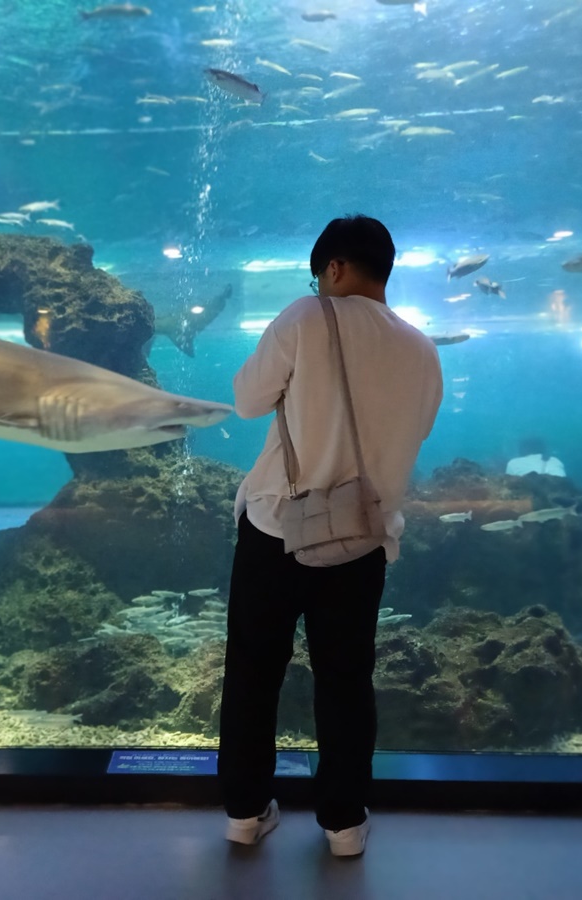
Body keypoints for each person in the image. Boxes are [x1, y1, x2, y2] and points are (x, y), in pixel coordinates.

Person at [218, 215, 443, 857]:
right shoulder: (422, 349)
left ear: (334, 268)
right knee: (346, 681)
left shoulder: (305, 316)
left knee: (253, 672)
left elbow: (247, 401)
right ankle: (343, 824)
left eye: (318, 274)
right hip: (363, 539)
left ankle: (244, 812)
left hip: (276, 527)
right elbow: (416, 431)